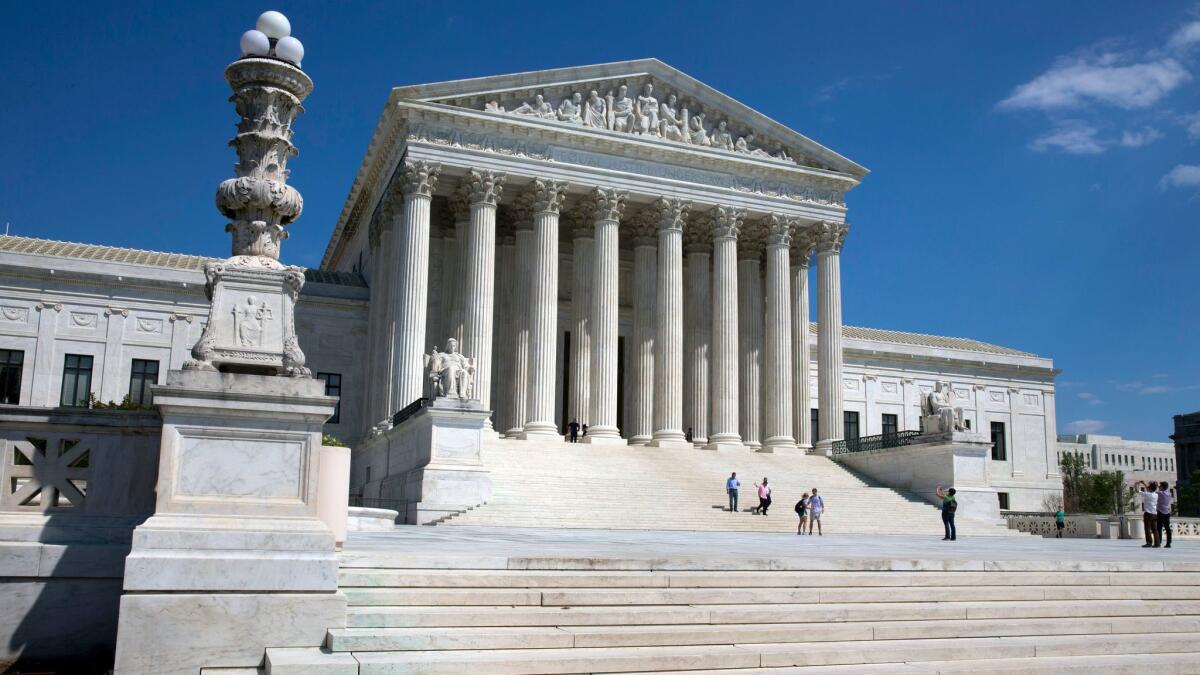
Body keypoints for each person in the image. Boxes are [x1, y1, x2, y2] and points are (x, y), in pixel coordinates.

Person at [1138, 482, 1159, 548]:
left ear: (1149, 488)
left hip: (1148, 513)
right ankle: (1157, 543)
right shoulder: (1156, 495)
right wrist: (1144, 483)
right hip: (1155, 513)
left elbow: (1137, 490)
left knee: (1147, 528)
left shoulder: (1147, 494)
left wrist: (1136, 484)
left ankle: (1149, 542)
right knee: (1155, 529)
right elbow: (1149, 489)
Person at [1157, 481, 1173, 549]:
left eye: (1160, 486)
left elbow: (1152, 491)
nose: (1159, 487)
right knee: (1167, 528)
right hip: (1167, 512)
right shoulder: (1169, 493)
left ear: (1162, 487)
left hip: (1160, 512)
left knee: (1159, 528)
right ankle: (1168, 543)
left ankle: (1159, 541)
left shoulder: (1160, 493)